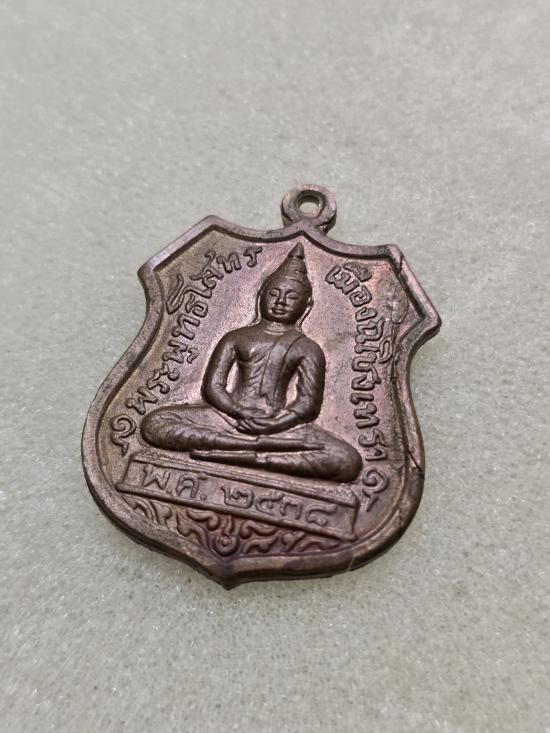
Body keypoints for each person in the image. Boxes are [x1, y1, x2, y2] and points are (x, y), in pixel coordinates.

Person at [141, 243, 362, 483]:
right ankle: (246, 446)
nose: (280, 301)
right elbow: (213, 387)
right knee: (155, 423)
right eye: (274, 294)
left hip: (280, 427)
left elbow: (307, 404)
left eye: (291, 297)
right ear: (261, 296)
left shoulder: (308, 348)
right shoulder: (236, 337)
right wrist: (237, 411)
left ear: (306, 305)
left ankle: (254, 457)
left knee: (346, 460)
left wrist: (278, 422)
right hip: (227, 419)